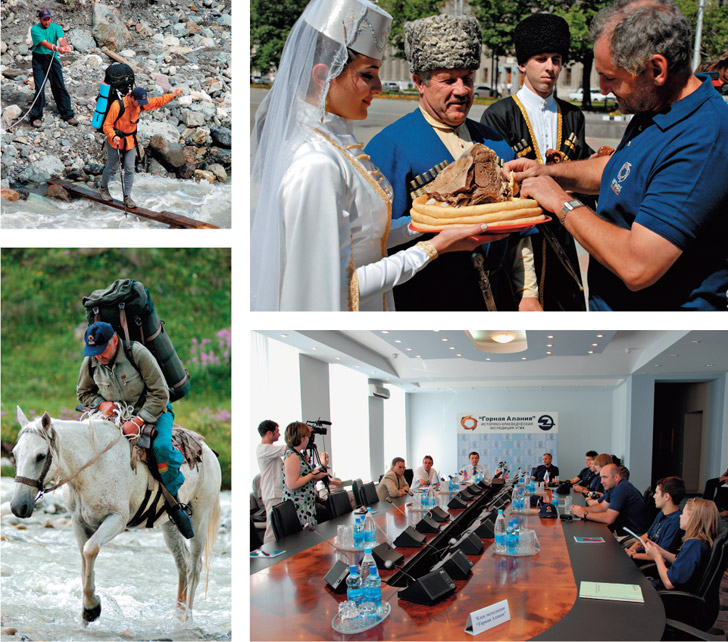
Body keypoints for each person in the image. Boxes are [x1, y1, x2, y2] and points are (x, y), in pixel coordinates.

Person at [250, 0, 497, 311]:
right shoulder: (316, 164)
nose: (379, 87)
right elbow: (336, 290)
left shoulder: (337, 145)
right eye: (368, 75)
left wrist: (432, 221)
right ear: (322, 75)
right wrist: (434, 248)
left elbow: (367, 238)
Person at [503, 0, 728, 310]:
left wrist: (559, 200)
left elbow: (637, 266)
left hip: (656, 342)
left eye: (611, 77)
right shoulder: (656, 106)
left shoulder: (703, 137)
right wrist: (549, 173)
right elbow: (624, 170)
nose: (603, 89)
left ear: (657, 69)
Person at [365, 14, 541, 312]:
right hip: (427, 302)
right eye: (448, 80)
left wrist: (528, 293)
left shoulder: (495, 142)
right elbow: (375, 242)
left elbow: (519, 232)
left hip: (495, 299)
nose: (462, 90)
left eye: (468, 79)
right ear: (419, 83)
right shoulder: (389, 147)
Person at [481, 13, 589, 311]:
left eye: (556, 59)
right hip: (520, 238)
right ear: (522, 64)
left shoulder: (573, 116)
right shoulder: (498, 115)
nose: (550, 67)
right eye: (541, 58)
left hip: (565, 231)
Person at [76, 321, 193, 538]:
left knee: (161, 448)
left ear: (113, 341)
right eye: (94, 353)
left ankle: (174, 504)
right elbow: (83, 393)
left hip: (154, 411)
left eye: (102, 352)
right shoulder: (91, 361)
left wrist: (138, 421)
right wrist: (101, 403)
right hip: (114, 415)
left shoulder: (138, 354)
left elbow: (160, 394)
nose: (98, 357)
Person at [99, 86, 184, 208]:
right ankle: (103, 188)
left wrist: (174, 95)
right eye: (138, 101)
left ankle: (127, 197)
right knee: (112, 167)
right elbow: (107, 125)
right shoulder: (117, 106)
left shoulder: (139, 104)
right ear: (132, 97)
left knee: (129, 169)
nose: (140, 104)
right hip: (115, 141)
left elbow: (157, 101)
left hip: (130, 141)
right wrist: (113, 136)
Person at [644, 498, 719, 592]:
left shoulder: (694, 546)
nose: (680, 516)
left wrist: (657, 557)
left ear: (693, 519)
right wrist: (660, 551)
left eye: (683, 513)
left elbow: (669, 583)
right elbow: (681, 562)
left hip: (668, 597)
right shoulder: (700, 543)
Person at [28, 9, 77, 128]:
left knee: (59, 85)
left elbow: (61, 39)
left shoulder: (56, 27)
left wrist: (65, 46)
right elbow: (44, 43)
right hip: (39, 60)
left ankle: (67, 114)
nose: (46, 22)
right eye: (44, 19)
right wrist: (57, 48)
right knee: (40, 87)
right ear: (39, 19)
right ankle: (36, 116)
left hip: (52, 59)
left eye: (48, 19)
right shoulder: (35, 29)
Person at [571, 463, 648, 536]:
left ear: (616, 477)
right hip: (624, 534)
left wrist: (584, 514)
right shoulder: (614, 487)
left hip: (633, 537)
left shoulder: (621, 488)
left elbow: (609, 518)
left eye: (605, 477)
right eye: (601, 477)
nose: (601, 482)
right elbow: (602, 507)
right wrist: (580, 510)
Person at [281, 422, 329, 529]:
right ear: (301, 438)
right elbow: (292, 484)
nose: (308, 439)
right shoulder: (292, 456)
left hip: (306, 504)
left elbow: (303, 477)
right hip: (298, 506)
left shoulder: (299, 455)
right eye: (306, 436)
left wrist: (316, 476)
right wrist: (312, 475)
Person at [625, 476, 685, 562]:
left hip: (650, 563)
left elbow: (662, 556)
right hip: (642, 553)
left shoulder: (675, 522)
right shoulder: (662, 513)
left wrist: (633, 555)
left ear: (667, 496)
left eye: (656, 493)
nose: (654, 496)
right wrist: (630, 550)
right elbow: (647, 535)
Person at [256, 420, 287, 543]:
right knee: (272, 527)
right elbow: (288, 448)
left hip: (276, 492)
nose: (279, 434)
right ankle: (267, 555)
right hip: (272, 493)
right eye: (277, 431)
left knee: (278, 526)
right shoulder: (265, 449)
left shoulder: (269, 449)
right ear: (269, 433)